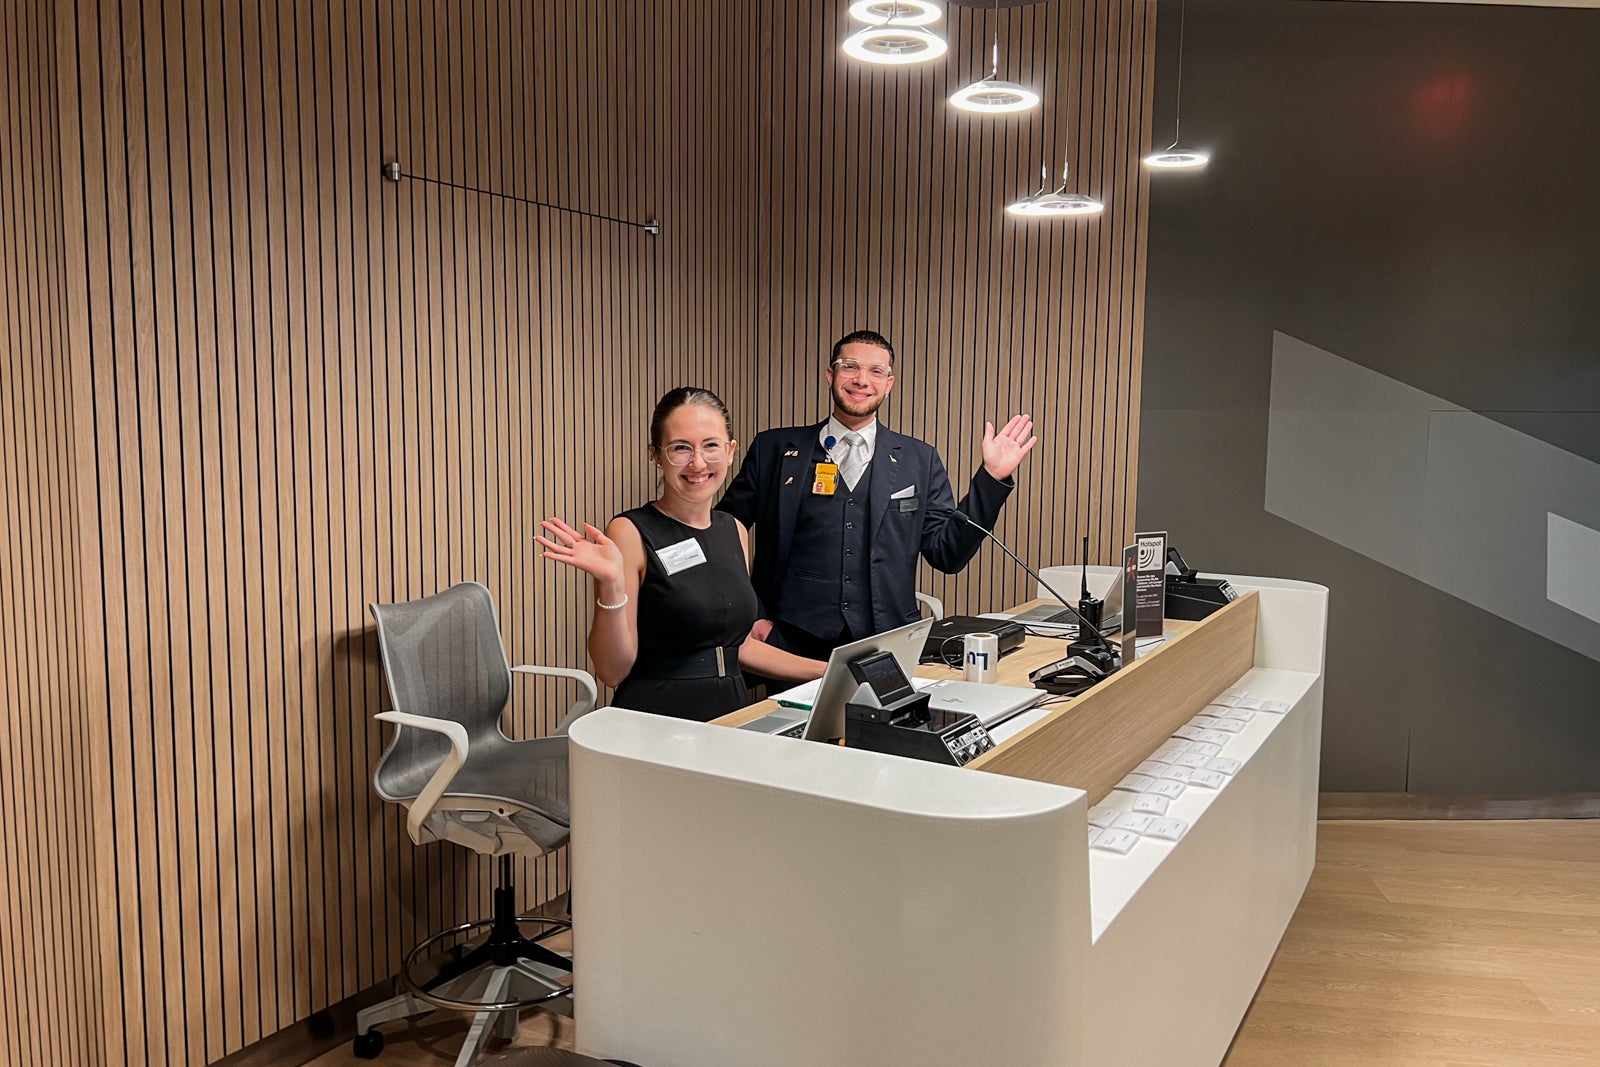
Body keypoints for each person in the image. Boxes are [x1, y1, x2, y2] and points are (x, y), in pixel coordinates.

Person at [718, 329, 1038, 660]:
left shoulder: (919, 459)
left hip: (889, 642)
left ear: (889, 384)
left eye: (876, 371)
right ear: (831, 374)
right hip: (791, 639)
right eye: (850, 367)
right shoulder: (774, 449)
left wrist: (992, 478)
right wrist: (752, 613)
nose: (861, 380)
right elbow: (723, 533)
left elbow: (948, 554)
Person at [538, 387, 826, 721]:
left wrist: (828, 671)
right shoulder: (629, 531)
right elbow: (612, 671)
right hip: (656, 720)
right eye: (680, 448)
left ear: (731, 451)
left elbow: (737, 647)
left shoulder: (734, 529)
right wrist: (611, 585)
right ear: (656, 455)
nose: (698, 463)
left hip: (729, 718)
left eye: (711, 446)